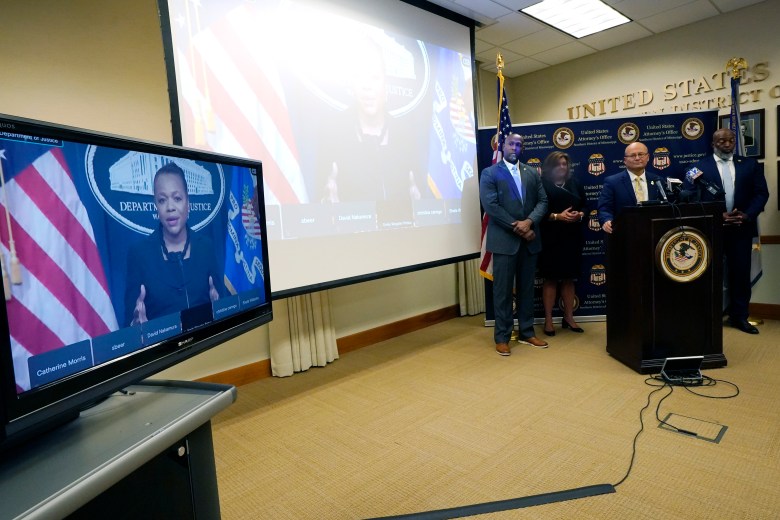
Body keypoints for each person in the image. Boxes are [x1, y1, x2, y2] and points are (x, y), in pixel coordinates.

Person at [685, 128, 768, 334]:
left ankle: (739, 317)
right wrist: (715, 215)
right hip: (711, 229)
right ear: (713, 144)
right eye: (722, 141)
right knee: (708, 274)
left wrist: (747, 215)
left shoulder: (749, 165)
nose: (727, 144)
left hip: (741, 228)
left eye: (731, 140)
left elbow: (761, 193)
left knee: (740, 274)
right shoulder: (698, 167)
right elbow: (690, 196)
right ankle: (708, 317)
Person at [125, 162, 224, 326]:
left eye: (177, 198)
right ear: (155, 205)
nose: (170, 207)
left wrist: (220, 308)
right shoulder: (139, 254)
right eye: (162, 200)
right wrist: (136, 327)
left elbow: (223, 305)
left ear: (188, 202)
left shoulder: (206, 247)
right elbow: (129, 323)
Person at [479, 132, 548, 356]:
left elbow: (543, 201)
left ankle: (527, 332)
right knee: (503, 293)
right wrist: (517, 226)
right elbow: (491, 206)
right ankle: (502, 337)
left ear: (522, 148)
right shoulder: (490, 173)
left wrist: (529, 222)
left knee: (527, 290)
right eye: (511, 144)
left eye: (519, 144)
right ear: (503, 145)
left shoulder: (531, 172)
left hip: (529, 243)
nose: (514, 147)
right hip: (504, 243)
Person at [538, 152, 586, 336]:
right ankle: (549, 320)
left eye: (565, 164)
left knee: (568, 278)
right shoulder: (541, 185)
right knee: (550, 279)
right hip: (550, 238)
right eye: (558, 164)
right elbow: (535, 212)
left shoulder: (574, 183)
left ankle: (569, 317)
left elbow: (585, 206)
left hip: (571, 237)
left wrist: (579, 215)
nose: (562, 168)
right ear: (550, 167)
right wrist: (557, 216)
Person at [597, 141, 663, 233]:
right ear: (625, 160)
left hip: (652, 232)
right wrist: (606, 220)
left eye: (641, 154)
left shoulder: (658, 180)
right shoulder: (612, 182)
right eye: (632, 155)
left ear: (647, 157)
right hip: (623, 234)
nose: (637, 158)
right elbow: (604, 208)